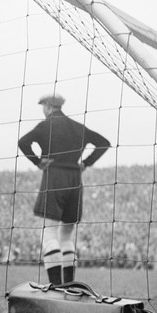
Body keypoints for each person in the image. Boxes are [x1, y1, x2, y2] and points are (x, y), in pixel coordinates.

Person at [18, 94, 109, 285]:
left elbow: (23, 142)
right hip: (75, 178)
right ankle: (69, 285)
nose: (42, 109)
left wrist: (37, 161)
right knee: (66, 236)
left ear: (49, 106)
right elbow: (103, 143)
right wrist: (86, 163)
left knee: (49, 233)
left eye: (42, 105)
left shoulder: (46, 125)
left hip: (55, 176)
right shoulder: (77, 127)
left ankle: (57, 286)